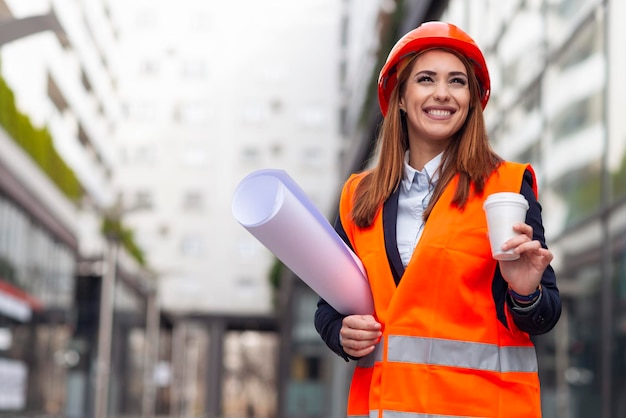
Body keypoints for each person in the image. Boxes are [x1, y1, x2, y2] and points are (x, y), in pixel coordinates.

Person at [314, 21, 561, 418]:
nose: (442, 94)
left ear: (473, 100)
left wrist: (525, 294)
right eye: (426, 79)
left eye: (457, 81)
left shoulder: (507, 187)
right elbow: (330, 305)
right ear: (400, 97)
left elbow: (544, 314)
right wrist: (339, 333)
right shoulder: (358, 198)